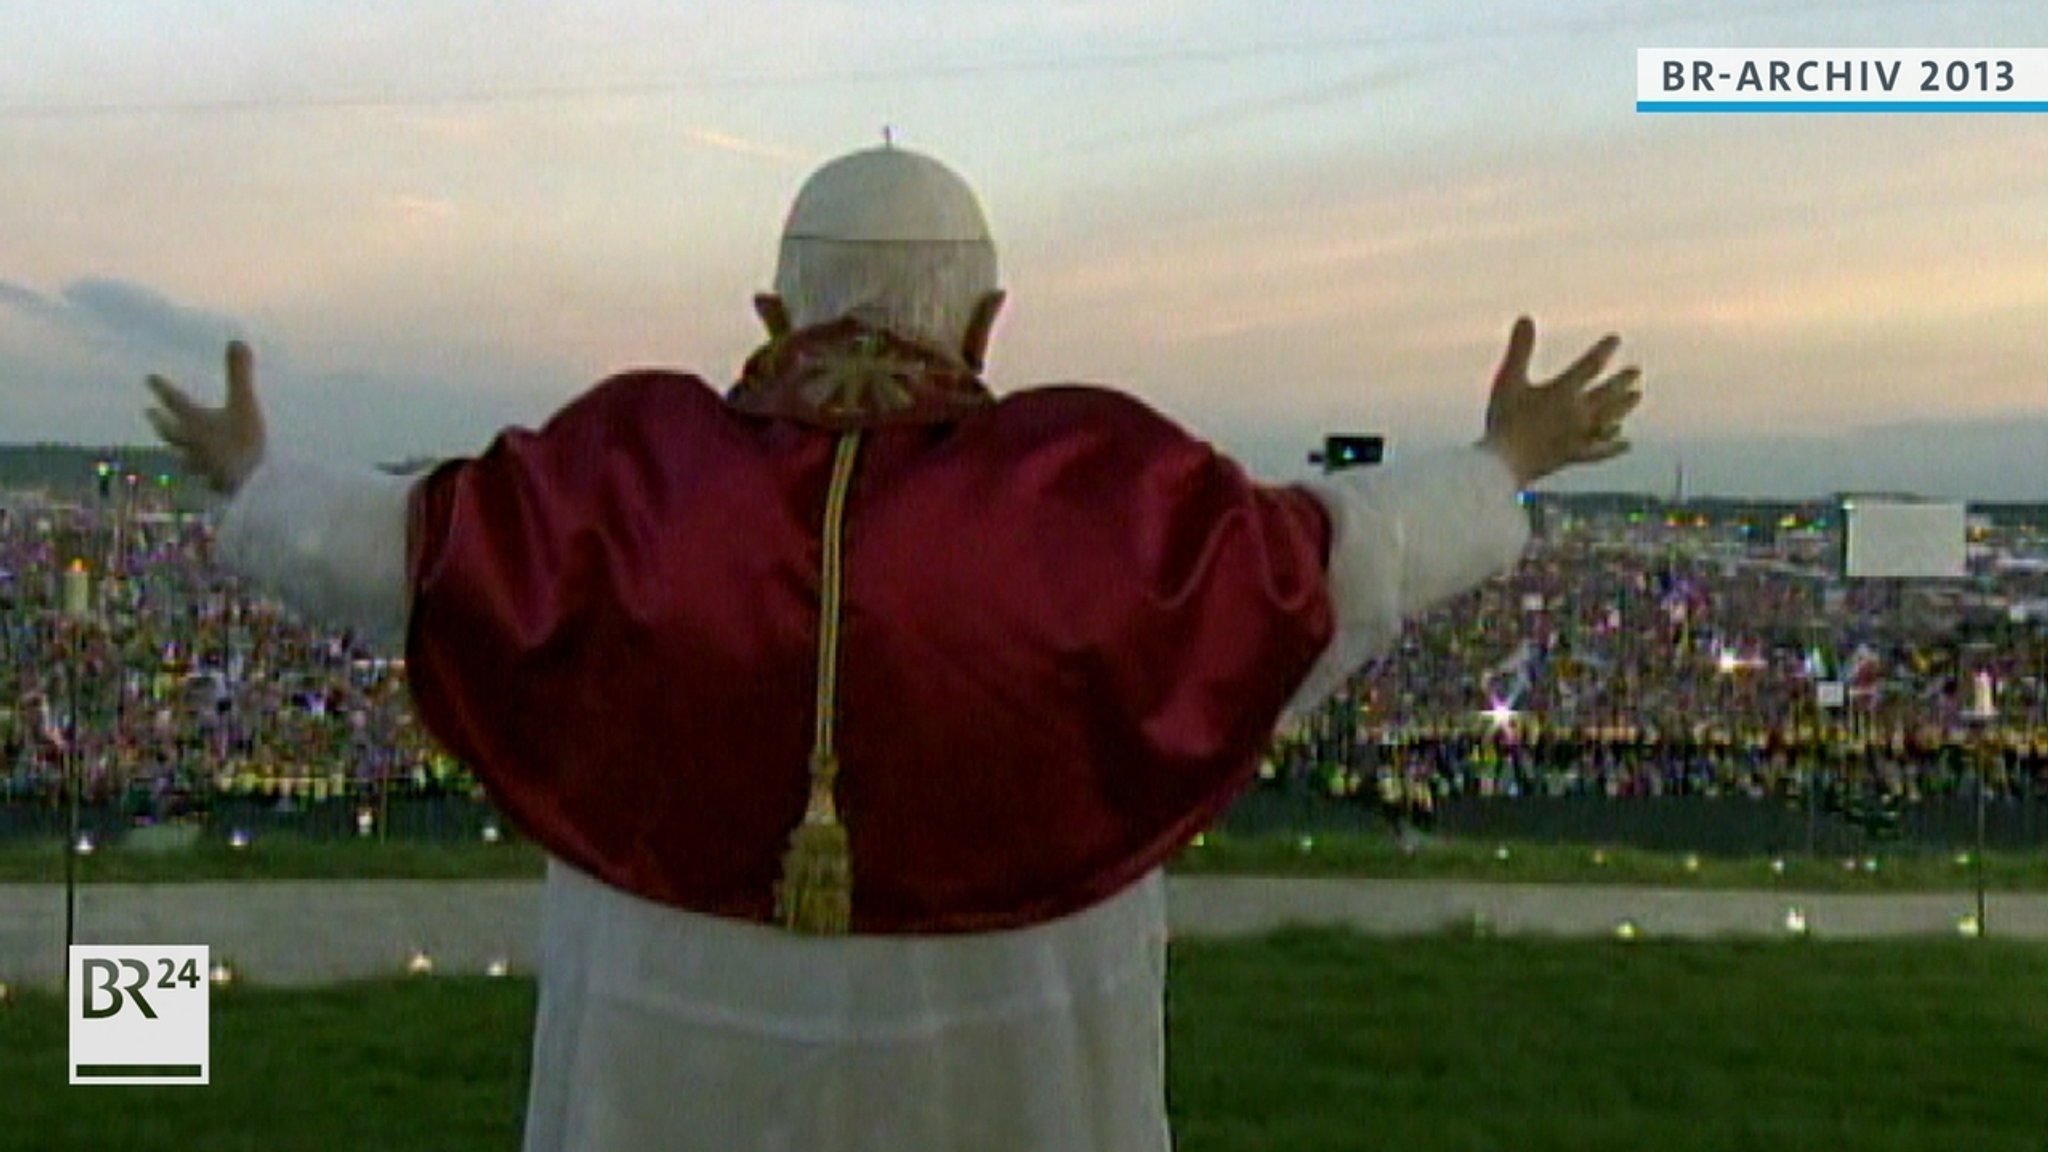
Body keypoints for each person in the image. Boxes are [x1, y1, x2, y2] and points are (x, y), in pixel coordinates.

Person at [144, 144, 1642, 1151]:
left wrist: (258, 476)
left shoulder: (611, 495)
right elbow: (1351, 557)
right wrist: (1503, 460)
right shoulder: (1113, 514)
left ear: (767, 311)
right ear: (990, 324)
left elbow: (384, 553)